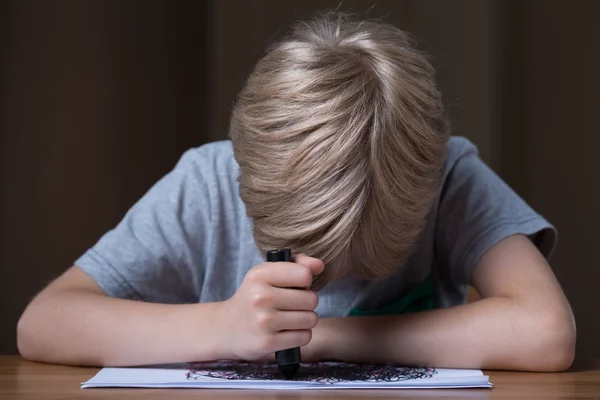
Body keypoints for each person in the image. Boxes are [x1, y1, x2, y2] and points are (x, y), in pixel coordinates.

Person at [17, 12, 575, 372]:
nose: (338, 274)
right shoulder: (207, 182)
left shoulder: (447, 175)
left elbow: (545, 332)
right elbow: (43, 323)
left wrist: (325, 337)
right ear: (247, 181)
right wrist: (223, 327)